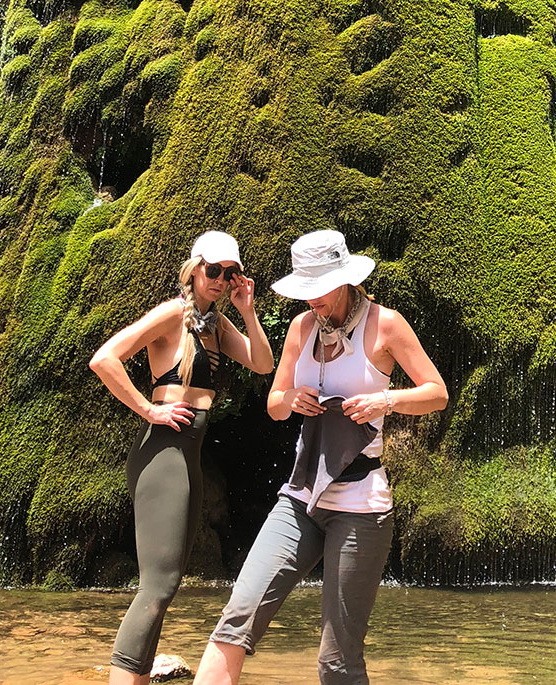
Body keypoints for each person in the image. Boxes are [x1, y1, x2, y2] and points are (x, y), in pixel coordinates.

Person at [192, 228, 448, 685]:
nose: (312, 302)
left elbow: (437, 394)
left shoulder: (386, 324)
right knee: (236, 621)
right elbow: (274, 403)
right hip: (300, 496)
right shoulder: (300, 327)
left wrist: (386, 401)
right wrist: (294, 398)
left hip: (360, 507)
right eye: (305, 292)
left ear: (345, 281)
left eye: (318, 292)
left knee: (337, 661)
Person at [90, 230, 275, 685]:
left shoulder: (215, 325)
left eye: (229, 273)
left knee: (167, 585)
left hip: (188, 453)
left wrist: (249, 311)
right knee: (158, 583)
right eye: (213, 270)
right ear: (194, 269)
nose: (220, 279)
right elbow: (105, 359)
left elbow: (264, 364)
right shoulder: (174, 313)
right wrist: (148, 407)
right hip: (162, 451)